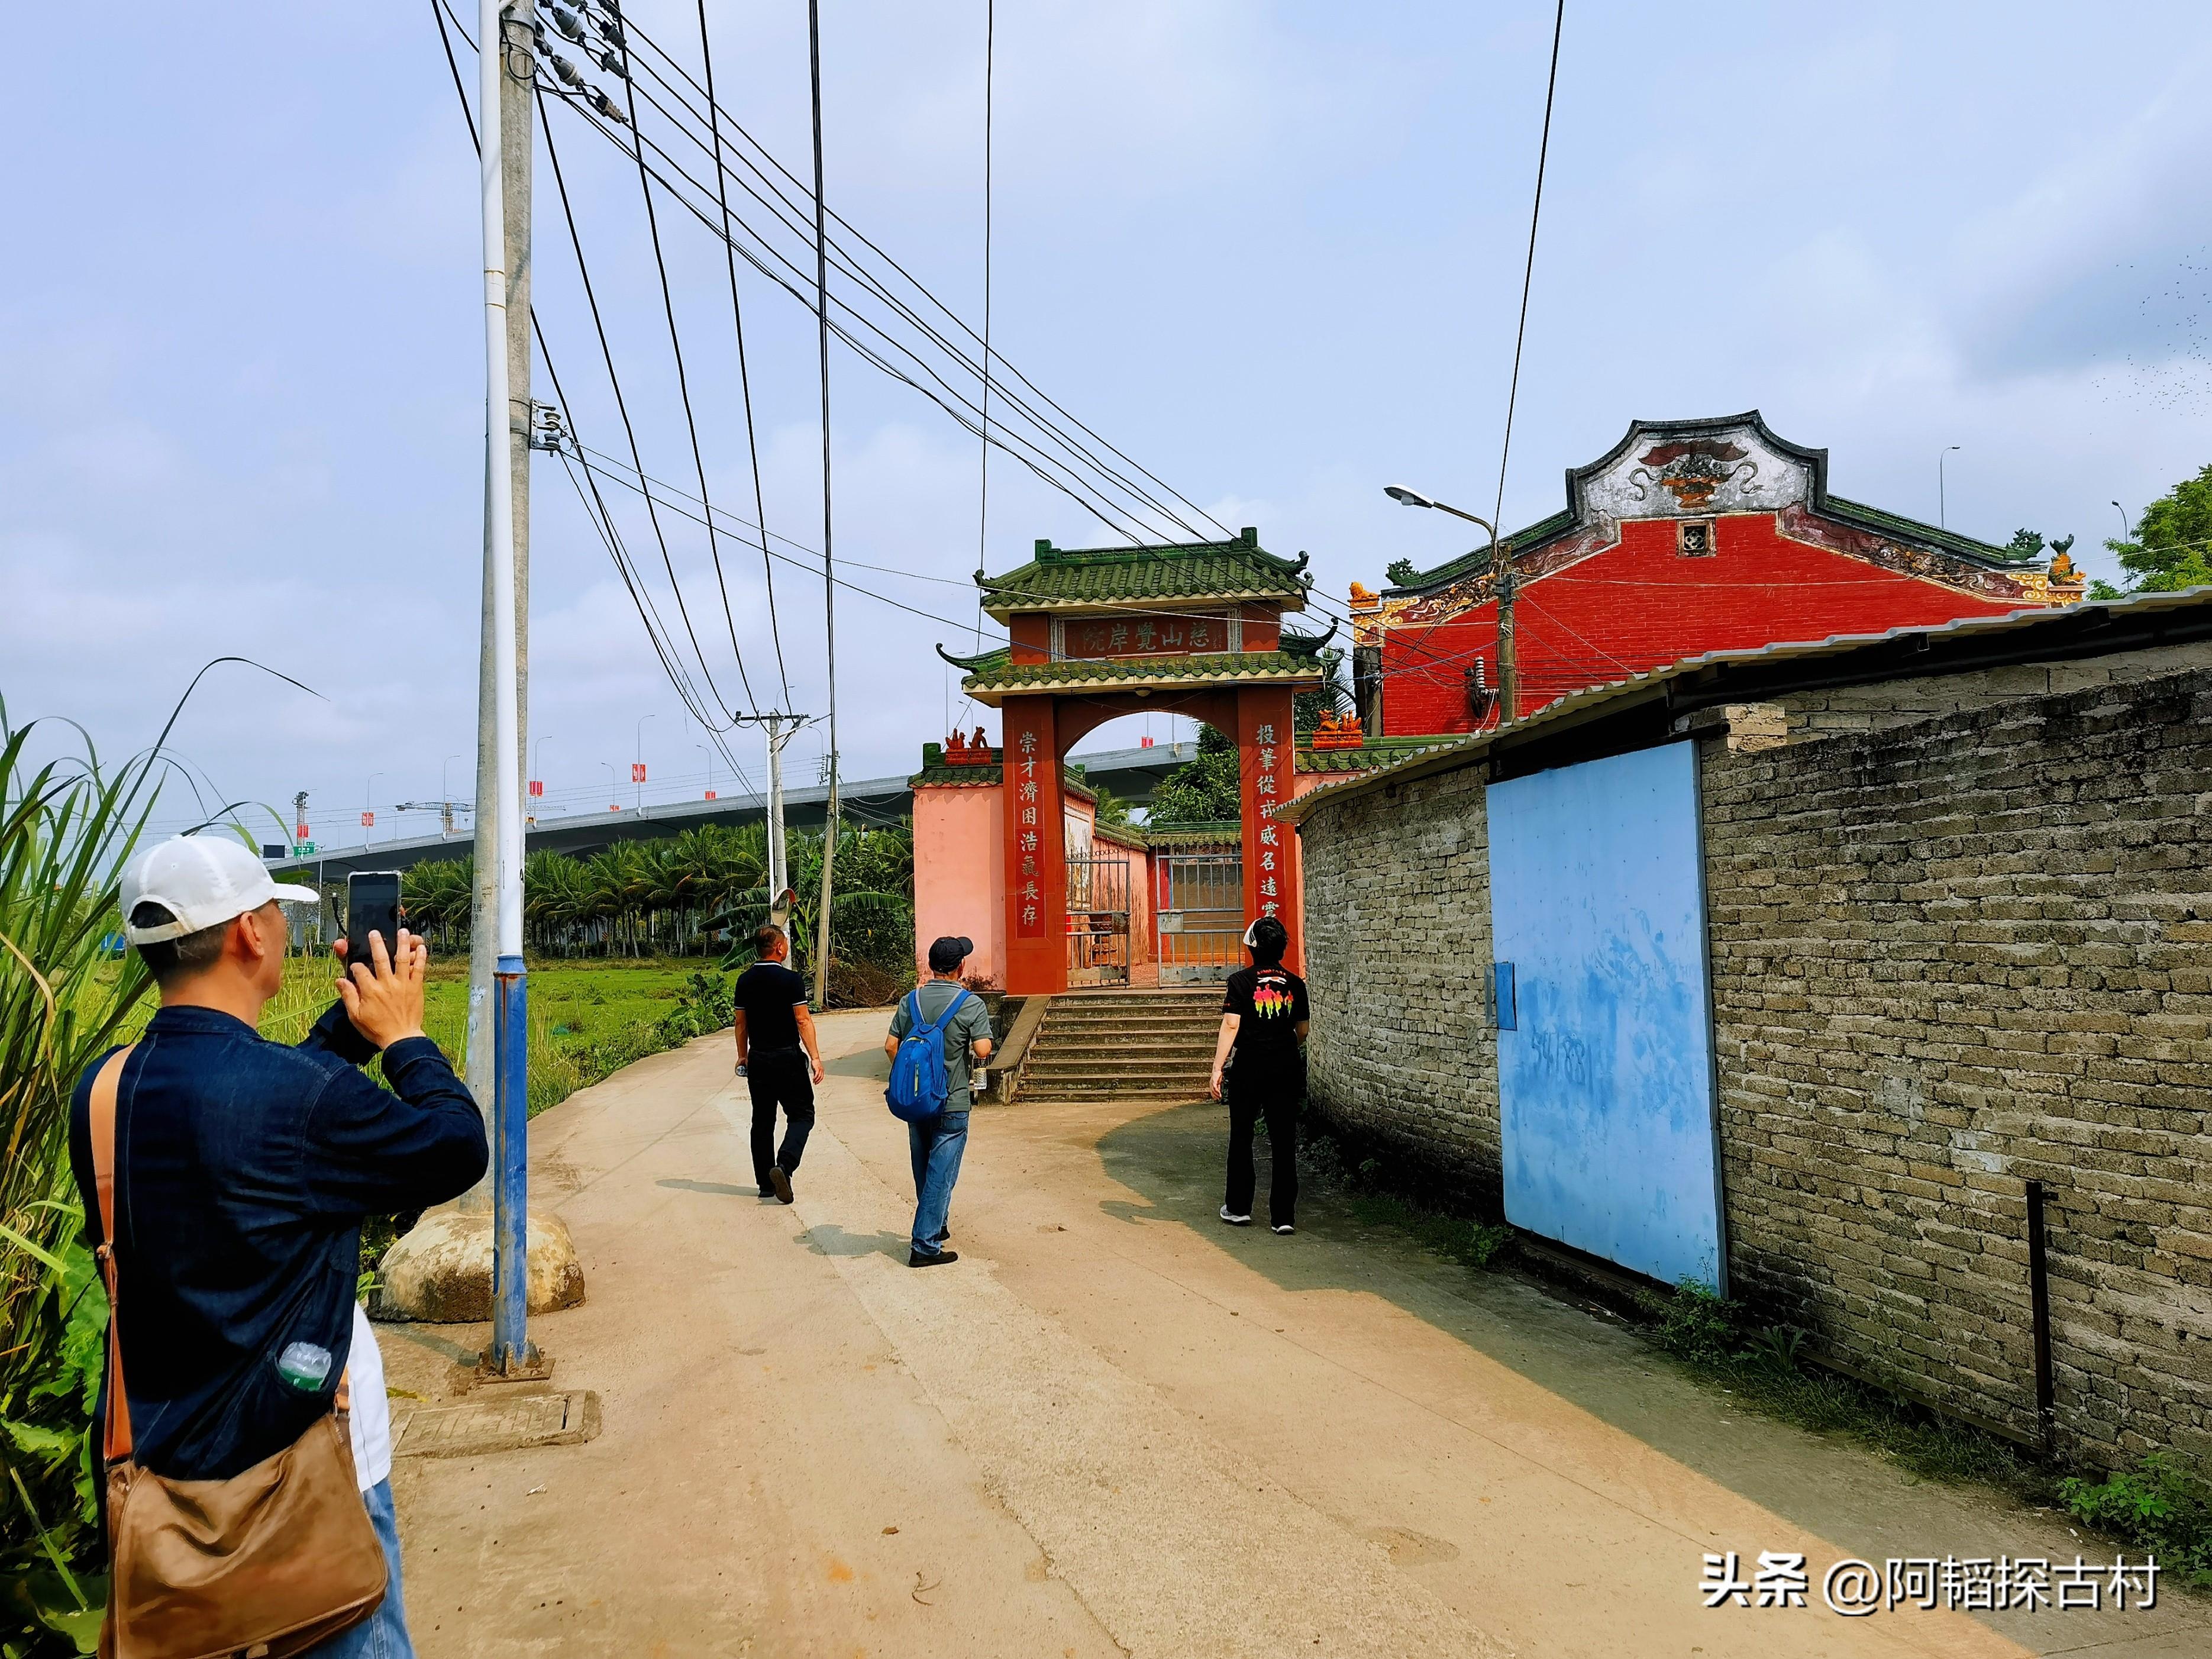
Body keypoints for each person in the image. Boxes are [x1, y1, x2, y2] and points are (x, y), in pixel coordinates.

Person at [70, 834, 488, 1658]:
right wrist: (404, 1039)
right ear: (250, 935)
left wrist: (352, 1028)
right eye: (274, 913)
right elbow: (454, 1146)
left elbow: (249, 1114)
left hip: (166, 1480)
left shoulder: (105, 1091)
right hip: (306, 1469)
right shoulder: (299, 1100)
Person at [883, 935, 994, 1268]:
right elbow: (983, 1049)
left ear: (931, 966)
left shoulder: (911, 1001)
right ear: (961, 967)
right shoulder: (970, 1003)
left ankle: (937, 1222)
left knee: (924, 1167)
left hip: (918, 1102)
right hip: (952, 1101)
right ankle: (925, 1244)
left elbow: (891, 1046)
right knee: (942, 1172)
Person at [1208, 915, 1310, 1235]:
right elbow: (1303, 1030)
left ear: (1252, 947)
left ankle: (1238, 1208)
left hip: (1249, 1068)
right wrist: (1281, 1046)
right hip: (1285, 1067)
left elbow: (1231, 1024)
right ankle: (1283, 1217)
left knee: (1242, 1135)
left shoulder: (1240, 982)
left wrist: (1216, 1068)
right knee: (1283, 1140)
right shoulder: (1296, 984)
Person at [731, 924, 825, 1203]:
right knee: (802, 1115)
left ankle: (765, 1184)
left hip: (759, 1058)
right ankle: (784, 1165)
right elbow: (803, 1019)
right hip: (787, 1058)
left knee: (762, 1121)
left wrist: (742, 1055)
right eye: (785, 943)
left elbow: (740, 1023)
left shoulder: (744, 981)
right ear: (779, 948)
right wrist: (816, 1058)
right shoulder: (791, 980)